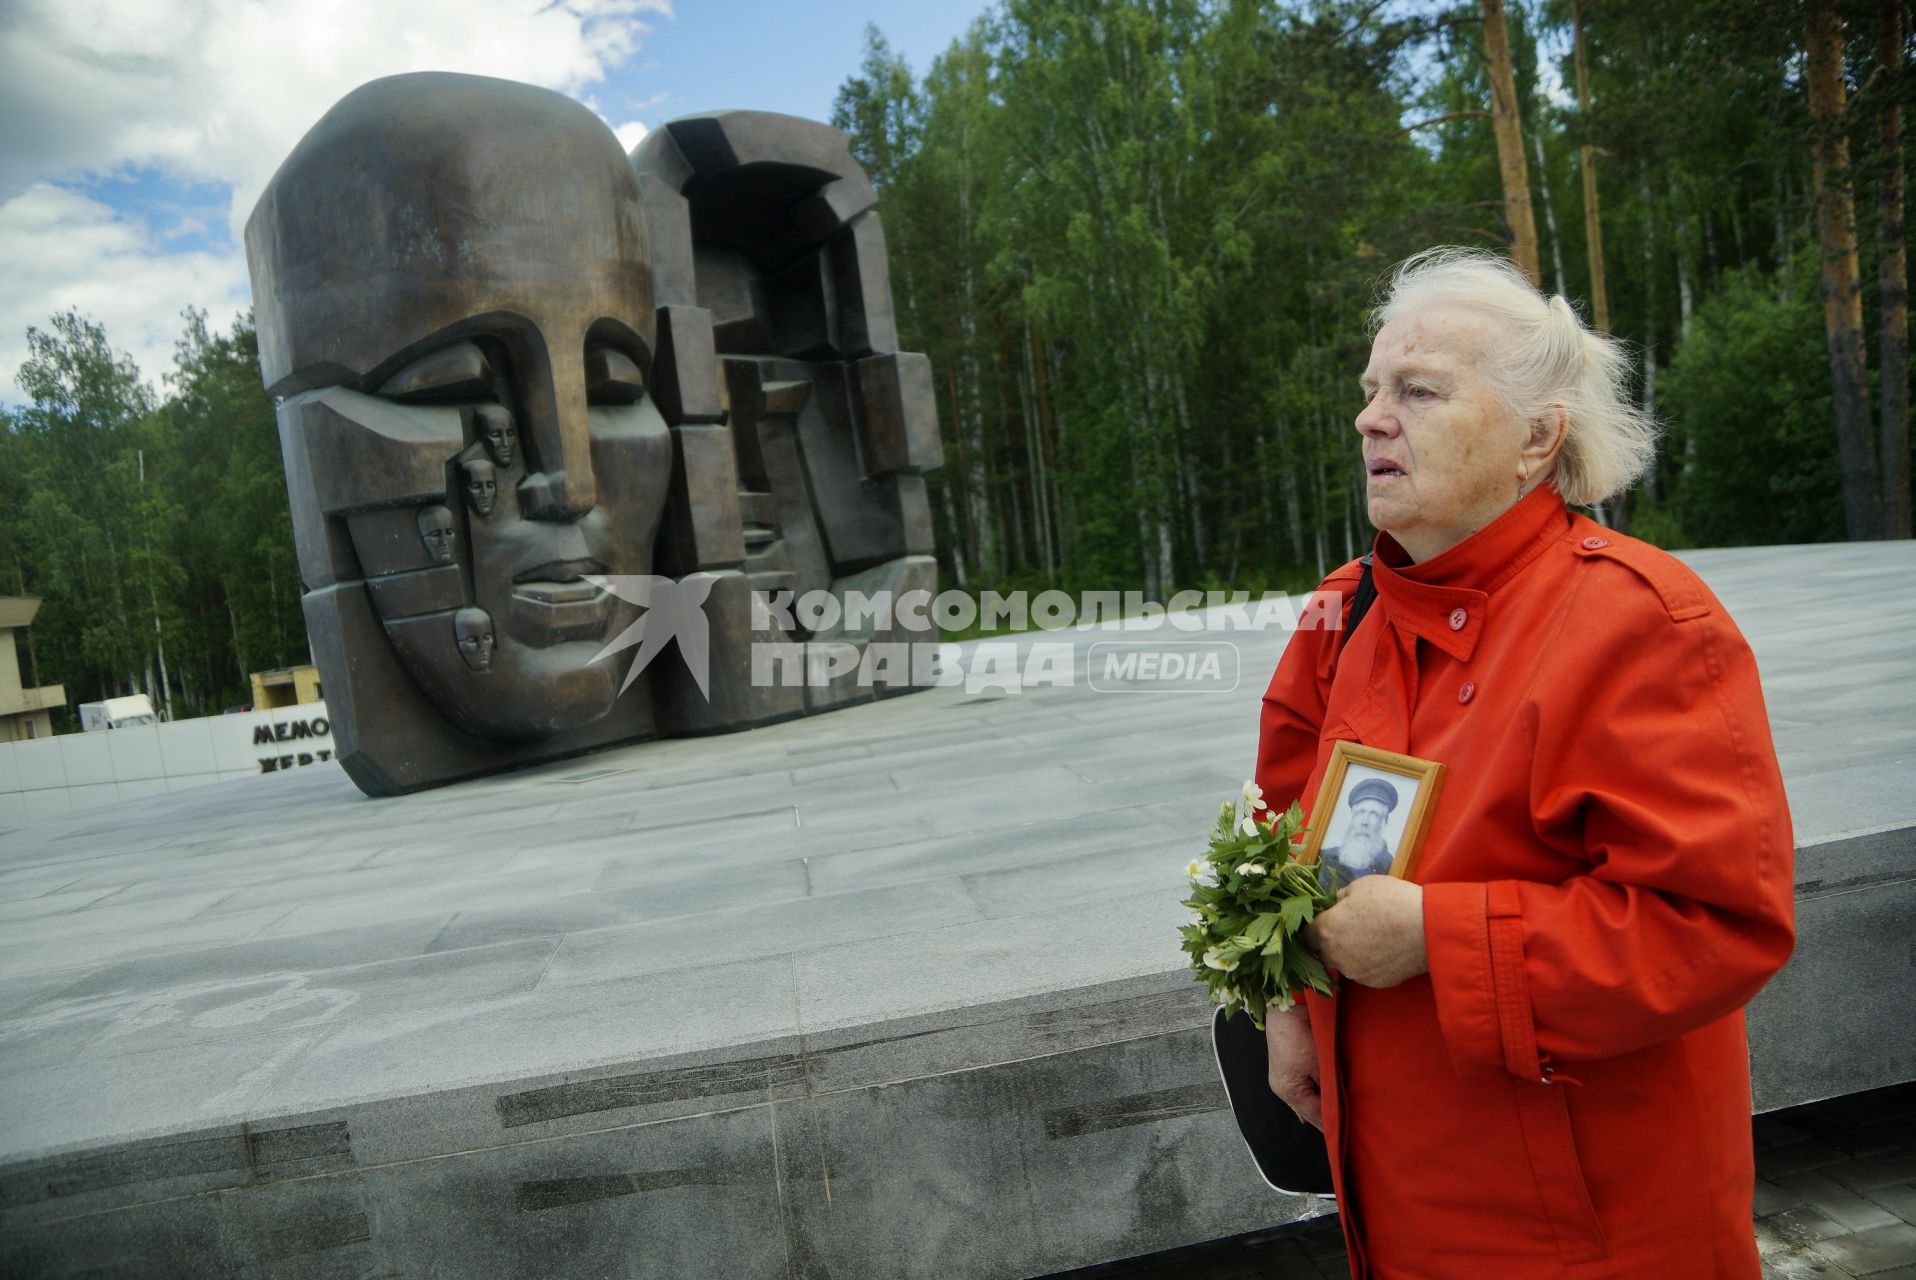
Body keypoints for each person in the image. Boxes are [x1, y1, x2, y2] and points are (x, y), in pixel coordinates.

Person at [1254, 248, 1795, 1278]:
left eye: (1415, 390)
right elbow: (1276, 826)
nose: (1369, 417)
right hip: (1393, 1194)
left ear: (1536, 437)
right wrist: (1282, 1003)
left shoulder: (1641, 623)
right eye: (1370, 389)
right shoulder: (1342, 611)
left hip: (1589, 1229)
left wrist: (1436, 936)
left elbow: (1716, 924)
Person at [1320, 776, 1400, 885]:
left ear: (1384, 821)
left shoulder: (1393, 869)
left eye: (1374, 814)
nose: (1365, 821)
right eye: (1360, 812)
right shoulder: (1324, 857)